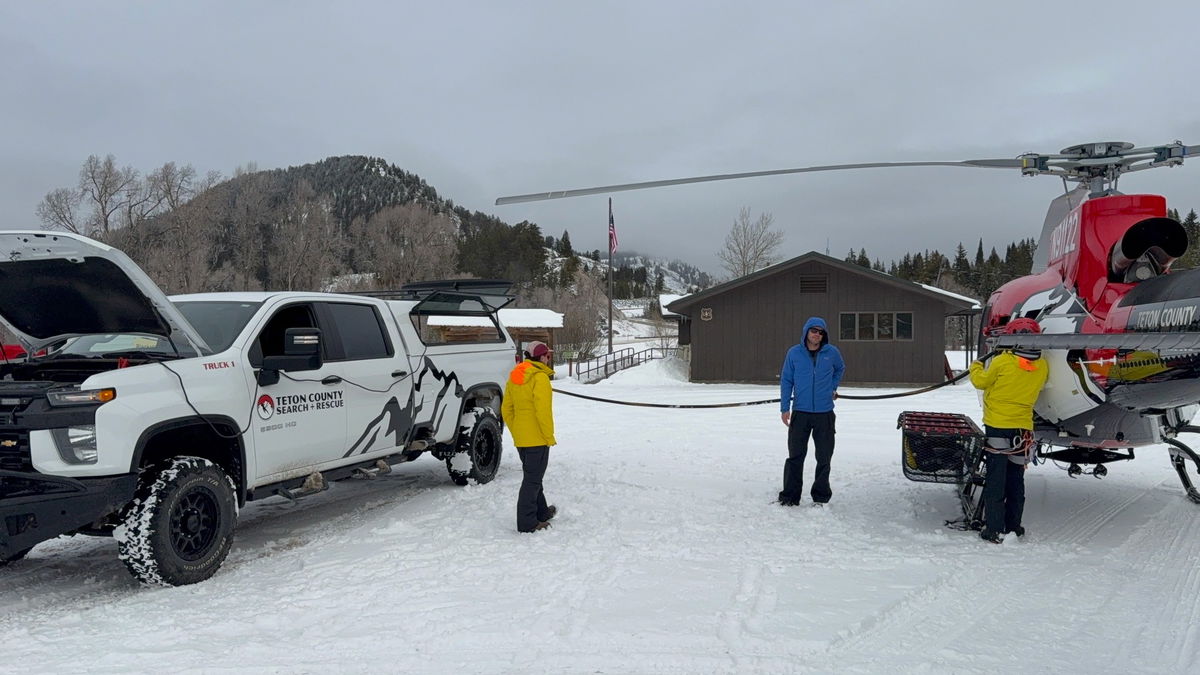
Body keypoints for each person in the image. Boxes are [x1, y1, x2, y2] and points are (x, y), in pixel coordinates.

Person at [969, 317, 1049, 543]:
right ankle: (1014, 526)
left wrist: (975, 366)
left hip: (998, 427)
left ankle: (993, 529)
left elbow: (981, 381)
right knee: (1016, 479)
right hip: (1023, 430)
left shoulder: (1003, 361)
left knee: (996, 479)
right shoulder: (1042, 365)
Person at [779, 317, 845, 506]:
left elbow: (840, 369)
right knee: (795, 455)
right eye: (813, 330)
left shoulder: (831, 353)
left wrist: (832, 387)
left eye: (820, 332)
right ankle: (790, 497)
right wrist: (785, 408)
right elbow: (786, 381)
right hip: (801, 412)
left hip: (824, 414)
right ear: (806, 331)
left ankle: (821, 497)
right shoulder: (794, 353)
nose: (817, 334)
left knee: (824, 456)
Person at [501, 340, 558, 533]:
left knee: (534, 477)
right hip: (537, 439)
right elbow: (543, 412)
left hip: (522, 439)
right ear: (541, 357)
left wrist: (517, 431)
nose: (548, 359)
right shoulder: (539, 378)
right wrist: (548, 436)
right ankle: (527, 523)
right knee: (532, 480)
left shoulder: (515, 376)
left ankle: (541, 512)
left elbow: (506, 409)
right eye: (547, 356)